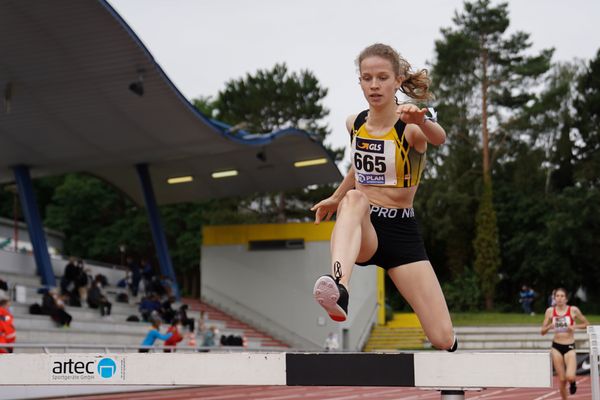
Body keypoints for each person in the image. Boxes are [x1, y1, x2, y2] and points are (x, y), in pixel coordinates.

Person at [311, 43, 456, 352]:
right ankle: (339, 287)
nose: (374, 85)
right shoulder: (355, 124)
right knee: (354, 200)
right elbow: (358, 167)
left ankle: (454, 353)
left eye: (382, 77)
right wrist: (337, 197)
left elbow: (440, 137)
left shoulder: (411, 128)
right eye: (367, 78)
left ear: (397, 80)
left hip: (401, 232)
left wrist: (422, 120)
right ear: (360, 81)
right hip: (366, 228)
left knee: (442, 337)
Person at [541, 288, 589, 399]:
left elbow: (586, 323)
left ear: (566, 299)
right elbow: (542, 332)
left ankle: (573, 382)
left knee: (570, 376)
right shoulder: (550, 311)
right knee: (562, 379)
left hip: (569, 346)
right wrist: (549, 326)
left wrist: (574, 326)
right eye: (557, 296)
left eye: (562, 296)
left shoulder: (573, 310)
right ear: (554, 298)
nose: (559, 298)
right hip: (556, 347)